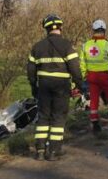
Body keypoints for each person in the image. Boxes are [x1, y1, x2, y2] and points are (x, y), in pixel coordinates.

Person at [27, 14, 83, 161]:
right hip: (61, 86)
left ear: (46, 29)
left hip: (43, 85)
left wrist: (34, 86)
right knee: (58, 117)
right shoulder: (67, 45)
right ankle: (53, 150)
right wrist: (80, 84)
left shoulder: (37, 47)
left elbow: (30, 69)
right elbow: (75, 68)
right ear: (60, 27)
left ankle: (39, 150)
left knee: (43, 116)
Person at [79, 19, 108, 136]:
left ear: (93, 30)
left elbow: (82, 63)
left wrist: (84, 74)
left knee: (94, 101)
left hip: (91, 76)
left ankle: (95, 125)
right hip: (105, 77)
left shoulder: (85, 45)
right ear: (104, 30)